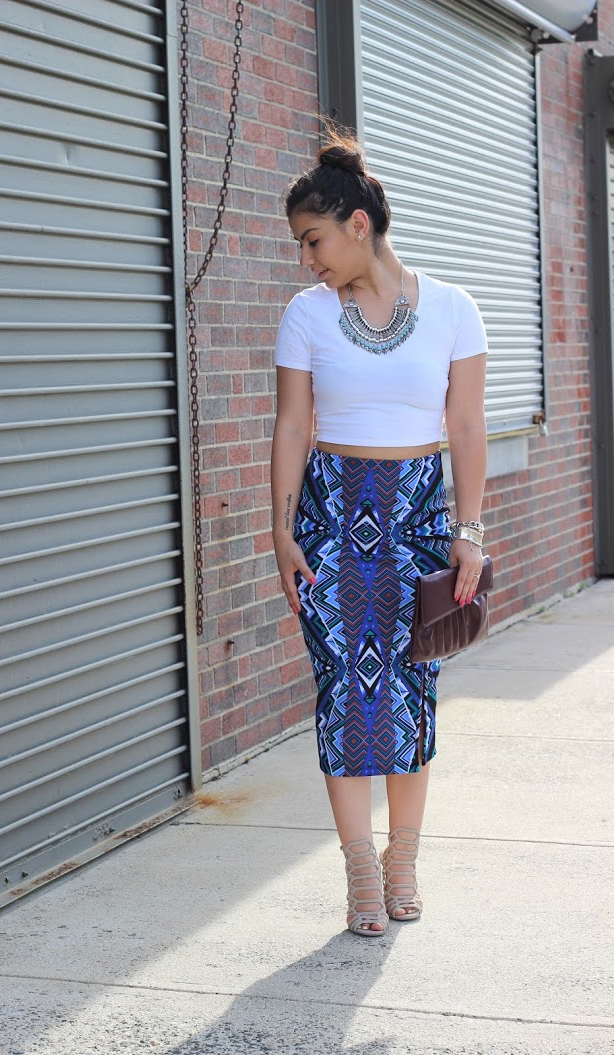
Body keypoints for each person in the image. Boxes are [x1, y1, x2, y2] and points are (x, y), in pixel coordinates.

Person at [271, 128, 488, 937]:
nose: (307, 260)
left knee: (410, 687)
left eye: (314, 240)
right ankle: (360, 866)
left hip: (420, 518)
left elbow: (466, 427)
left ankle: (404, 860)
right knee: (343, 689)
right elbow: (292, 427)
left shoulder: (455, 309)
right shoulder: (305, 316)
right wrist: (281, 530)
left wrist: (469, 529)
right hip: (330, 519)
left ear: (357, 224)